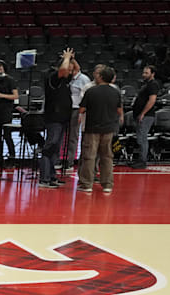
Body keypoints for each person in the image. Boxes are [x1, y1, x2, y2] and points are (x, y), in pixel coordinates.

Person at [77, 66, 122, 195]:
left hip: (92, 128)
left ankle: (87, 184)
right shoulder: (115, 92)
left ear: (101, 77)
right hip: (109, 128)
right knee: (107, 157)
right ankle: (107, 184)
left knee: (89, 156)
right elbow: (119, 110)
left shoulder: (91, 91)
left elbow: (82, 109)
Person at [39, 48, 73, 188]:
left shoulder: (64, 79)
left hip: (62, 118)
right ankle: (44, 178)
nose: (70, 72)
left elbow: (76, 70)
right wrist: (66, 58)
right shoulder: (53, 77)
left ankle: (52, 176)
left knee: (56, 149)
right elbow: (63, 70)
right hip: (54, 119)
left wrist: (71, 58)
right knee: (50, 147)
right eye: (68, 69)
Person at [0, 60, 18, 171]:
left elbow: (15, 96)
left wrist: (1, 95)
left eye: (0, 68)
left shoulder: (10, 80)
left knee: (7, 135)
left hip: (6, 110)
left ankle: (12, 158)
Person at [130, 65, 159, 169]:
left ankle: (142, 161)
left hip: (146, 115)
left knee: (142, 138)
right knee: (140, 137)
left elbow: (152, 100)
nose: (144, 75)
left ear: (152, 74)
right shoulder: (146, 84)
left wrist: (143, 113)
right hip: (141, 115)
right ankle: (140, 159)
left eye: (146, 73)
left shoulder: (153, 85)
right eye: (143, 72)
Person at [67, 60, 91, 168]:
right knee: (68, 136)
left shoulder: (84, 79)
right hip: (68, 109)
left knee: (74, 136)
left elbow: (87, 96)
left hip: (78, 109)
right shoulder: (68, 78)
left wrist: (82, 112)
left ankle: (71, 161)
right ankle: (65, 159)